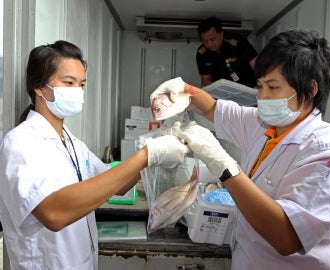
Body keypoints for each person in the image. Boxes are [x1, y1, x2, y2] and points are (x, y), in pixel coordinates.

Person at [151, 29, 330, 269]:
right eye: (260, 87)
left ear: (311, 90)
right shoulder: (266, 124)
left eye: (273, 88)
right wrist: (184, 90)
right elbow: (213, 109)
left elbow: (287, 236)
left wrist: (224, 166)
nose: (262, 98)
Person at [0, 41, 189, 270]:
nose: (77, 91)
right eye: (68, 83)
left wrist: (154, 151)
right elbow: (53, 213)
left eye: (81, 84)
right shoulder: (20, 143)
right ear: (39, 87)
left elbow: (114, 183)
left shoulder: (72, 142)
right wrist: (145, 156)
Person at [196, 16, 258, 87]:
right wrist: (214, 96)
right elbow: (206, 79)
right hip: (222, 94)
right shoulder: (202, 53)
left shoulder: (237, 42)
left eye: (212, 39)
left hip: (248, 87)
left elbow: (257, 65)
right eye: (205, 41)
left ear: (221, 35)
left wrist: (261, 86)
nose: (209, 44)